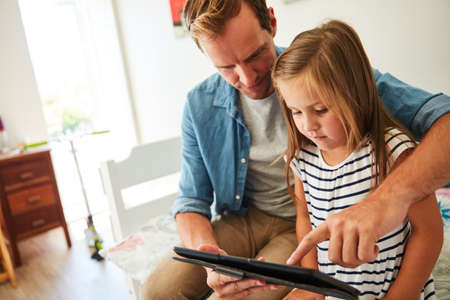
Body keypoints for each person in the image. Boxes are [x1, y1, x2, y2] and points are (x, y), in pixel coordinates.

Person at [141, 1, 450, 299]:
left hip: (298, 225)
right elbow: (192, 200)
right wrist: (209, 257)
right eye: (227, 67)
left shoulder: (328, 71)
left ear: (272, 23)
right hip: (243, 217)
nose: (247, 79)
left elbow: (442, 118)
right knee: (156, 292)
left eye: (254, 55)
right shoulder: (199, 105)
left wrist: (385, 201)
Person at [272, 19, 443, 300]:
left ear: (354, 94)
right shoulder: (302, 160)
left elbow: (429, 233)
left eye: (320, 109)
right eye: (296, 112)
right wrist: (311, 283)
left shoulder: (392, 152)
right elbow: (305, 216)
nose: (309, 125)